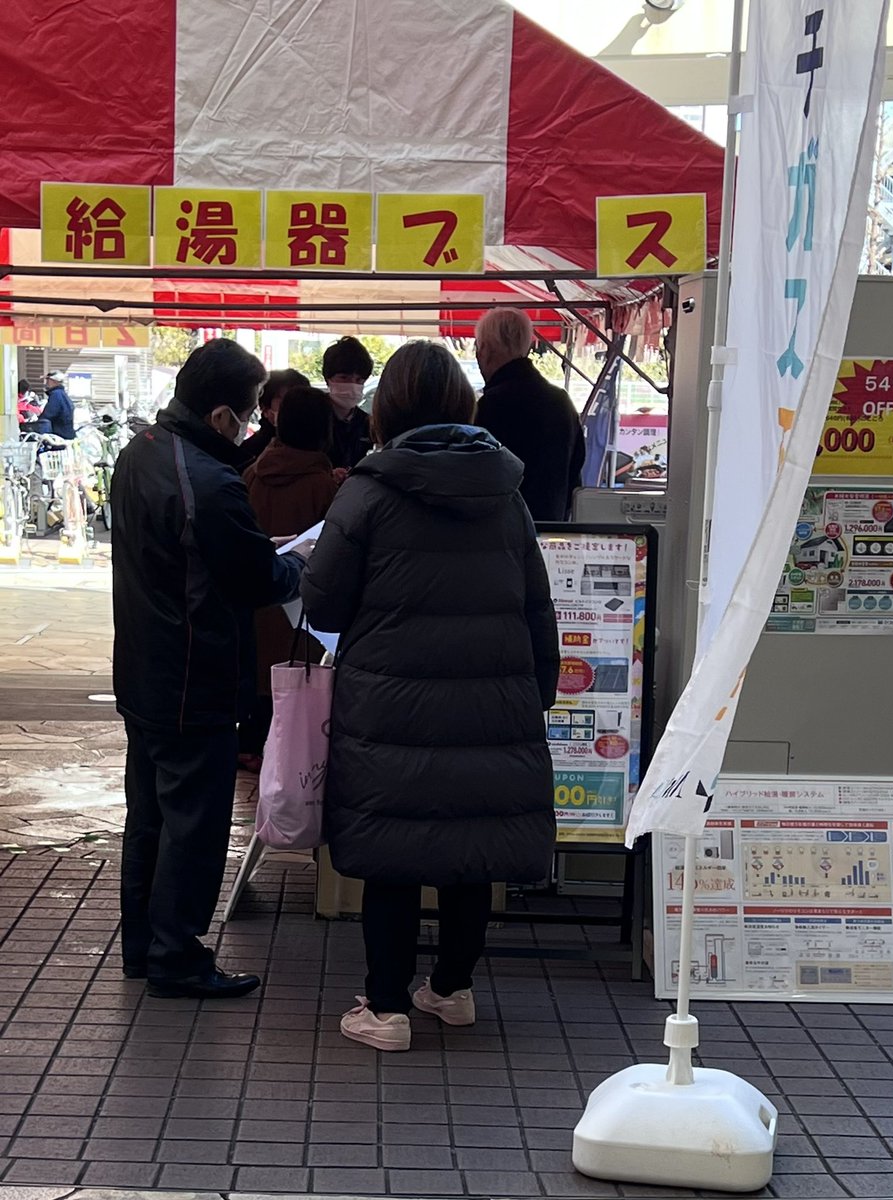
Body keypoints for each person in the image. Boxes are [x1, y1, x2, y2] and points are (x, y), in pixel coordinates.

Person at [301, 340, 559, 1052]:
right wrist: (537, 692)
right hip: (490, 700)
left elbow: (322, 604)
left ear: (388, 405)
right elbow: (537, 605)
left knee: (395, 851)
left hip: (391, 705)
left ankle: (384, 1009)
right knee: (468, 849)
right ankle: (450, 990)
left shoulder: (370, 490)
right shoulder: (506, 493)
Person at [111, 338, 312, 1000]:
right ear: (224, 414)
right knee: (194, 822)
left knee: (150, 815)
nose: (252, 425)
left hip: (143, 668)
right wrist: (296, 564)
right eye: (251, 412)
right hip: (194, 675)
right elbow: (257, 577)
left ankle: (143, 944)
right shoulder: (209, 480)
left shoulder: (139, 453)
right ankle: (176, 954)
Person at [239, 385, 339, 767]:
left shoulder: (251, 475)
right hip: (302, 614)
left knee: (261, 678)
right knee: (299, 686)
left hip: (258, 603)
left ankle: (249, 748)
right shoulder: (324, 486)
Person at [475, 309, 585, 521]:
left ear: (486, 350)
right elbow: (575, 477)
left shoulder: (489, 406)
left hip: (500, 534)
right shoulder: (561, 401)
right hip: (551, 531)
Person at [235, 367, 308, 471]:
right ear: (264, 408)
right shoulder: (248, 455)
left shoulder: (319, 446)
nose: (295, 407)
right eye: (286, 401)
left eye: (301, 401)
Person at [322, 335, 374, 470]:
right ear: (328, 379)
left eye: (359, 380)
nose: (352, 385)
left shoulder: (367, 423)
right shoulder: (312, 417)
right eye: (344, 378)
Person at [40, 370, 75, 440]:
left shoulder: (56, 395)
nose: (46, 383)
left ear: (54, 381)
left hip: (59, 436)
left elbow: (48, 415)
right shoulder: (62, 394)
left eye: (48, 380)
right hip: (67, 435)